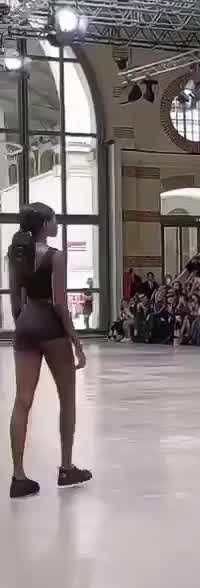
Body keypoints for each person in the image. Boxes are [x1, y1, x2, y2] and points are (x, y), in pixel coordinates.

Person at [8, 203, 91, 498]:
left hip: (25, 327)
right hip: (51, 329)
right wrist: (76, 342)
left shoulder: (15, 253)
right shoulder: (55, 256)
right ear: (44, 223)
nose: (57, 224)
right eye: (54, 219)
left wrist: (24, 324)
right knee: (67, 398)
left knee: (22, 401)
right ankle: (66, 468)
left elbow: (15, 301)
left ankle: (18, 476)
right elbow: (59, 304)